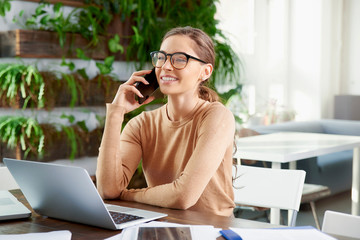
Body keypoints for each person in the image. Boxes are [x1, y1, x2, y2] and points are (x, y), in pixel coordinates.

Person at [96, 26, 236, 217]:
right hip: (163, 227)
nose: (166, 66)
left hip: (212, 230)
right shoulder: (141, 124)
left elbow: (183, 196)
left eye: (179, 59)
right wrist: (115, 114)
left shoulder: (217, 116)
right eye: (161, 58)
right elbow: (107, 190)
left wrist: (126, 195)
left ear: (205, 72)